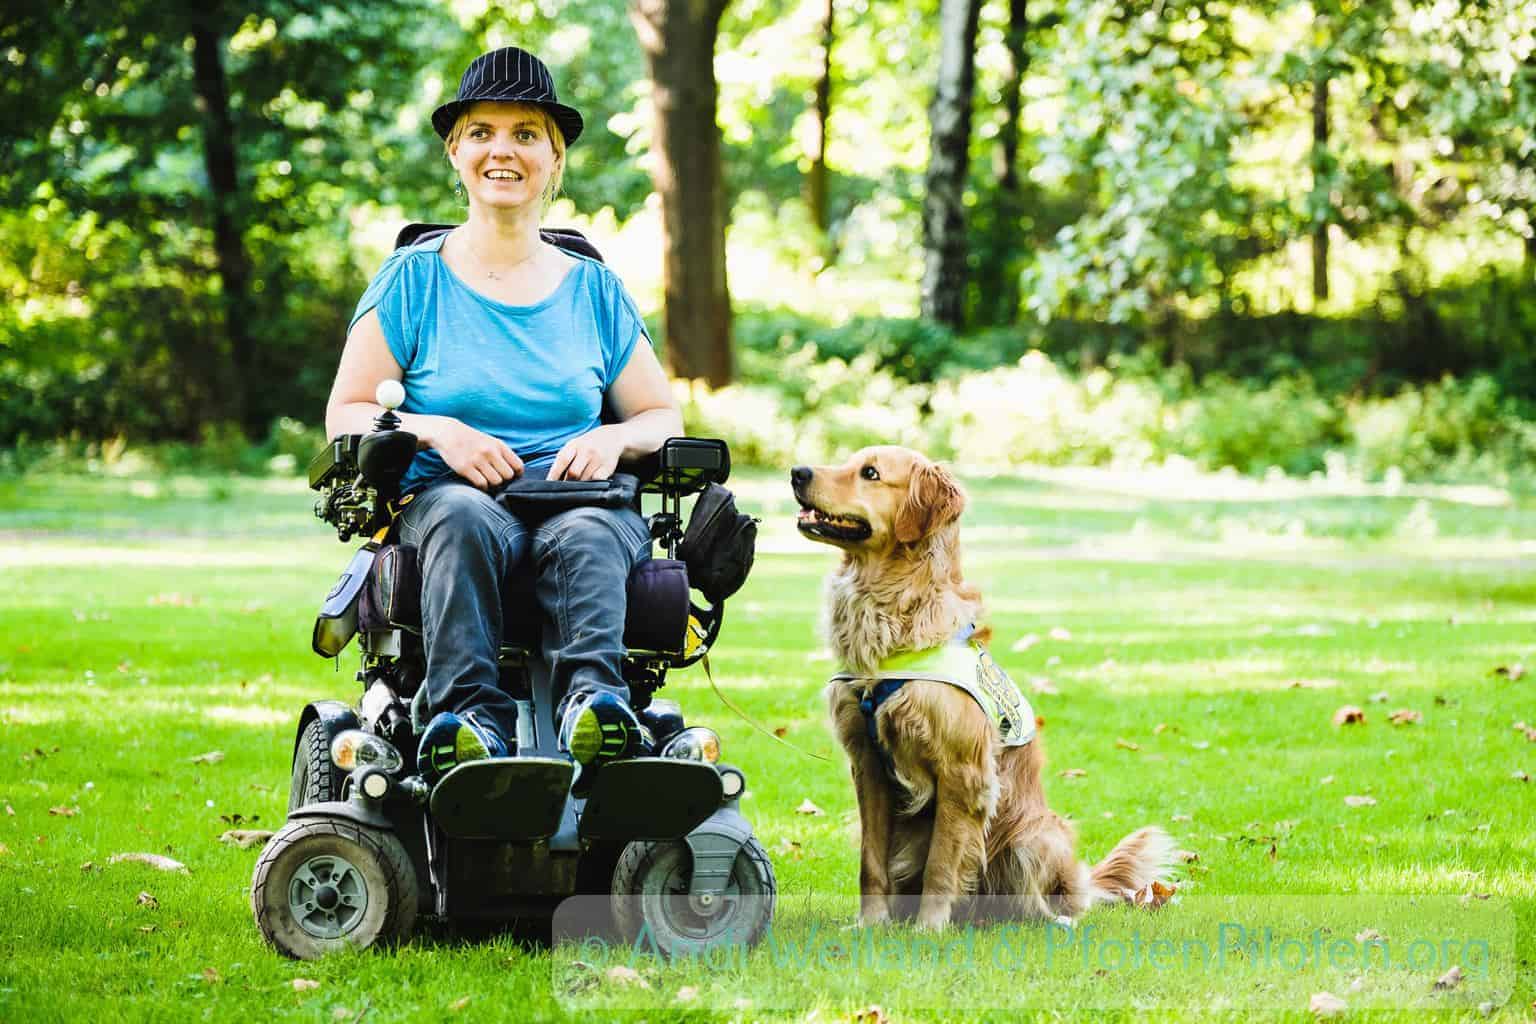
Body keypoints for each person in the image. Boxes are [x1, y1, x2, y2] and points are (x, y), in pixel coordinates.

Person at [324, 46, 682, 781]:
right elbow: (347, 413)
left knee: (589, 533)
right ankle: (472, 728)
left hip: (576, 498)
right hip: (453, 503)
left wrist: (615, 439)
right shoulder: (412, 281)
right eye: (483, 132)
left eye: (526, 134)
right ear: (456, 152)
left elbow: (661, 420)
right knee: (459, 517)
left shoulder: (594, 291)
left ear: (554, 160)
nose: (503, 150)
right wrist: (433, 429)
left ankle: (596, 715)